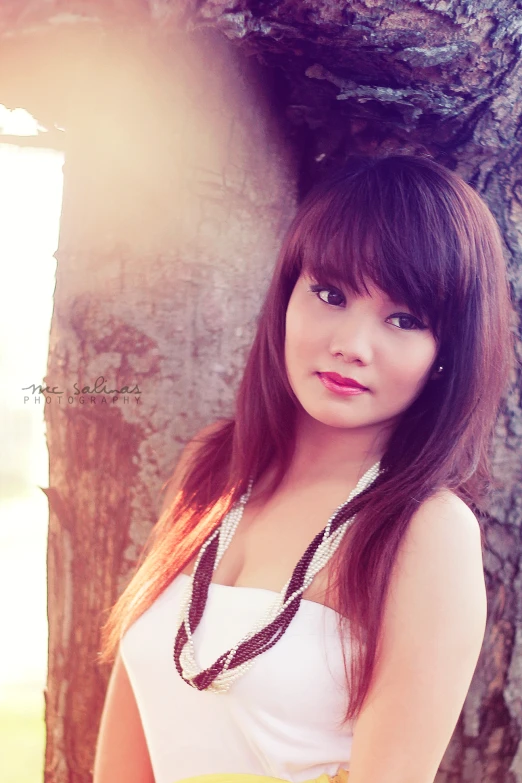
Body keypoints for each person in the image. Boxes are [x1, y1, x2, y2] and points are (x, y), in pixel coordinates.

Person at [93, 153, 514, 783]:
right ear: (287, 294)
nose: (351, 344)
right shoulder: (212, 469)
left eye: (403, 319)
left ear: (445, 353)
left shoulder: (425, 529)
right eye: (331, 293)